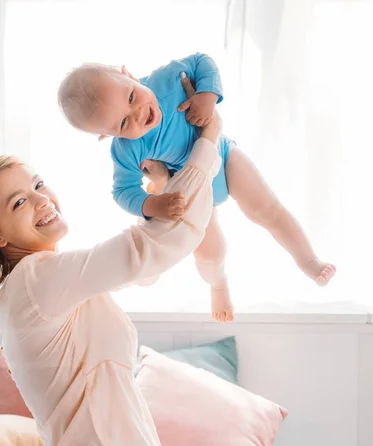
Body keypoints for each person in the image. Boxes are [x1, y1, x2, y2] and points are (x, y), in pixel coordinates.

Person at [0, 99, 370, 446]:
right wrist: (207, 146)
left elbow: (145, 265)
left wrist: (167, 186)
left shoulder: (44, 287)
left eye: (37, 184)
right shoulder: (37, 280)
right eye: (18, 202)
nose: (41, 200)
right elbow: (151, 247)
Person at [57, 55, 336, 323]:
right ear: (107, 135)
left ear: (128, 75)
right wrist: (153, 204)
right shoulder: (126, 150)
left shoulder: (167, 80)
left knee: (266, 209)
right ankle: (218, 285)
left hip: (223, 155)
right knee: (210, 251)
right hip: (191, 187)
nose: (139, 113)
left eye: (131, 97)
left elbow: (202, 62)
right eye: (123, 123)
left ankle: (308, 260)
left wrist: (207, 97)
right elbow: (123, 191)